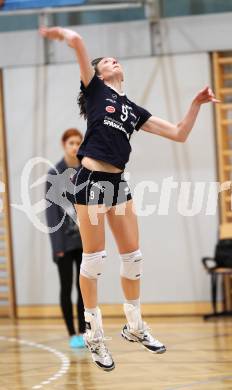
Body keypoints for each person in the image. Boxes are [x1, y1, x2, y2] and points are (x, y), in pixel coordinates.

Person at [40, 26, 219, 372]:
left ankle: (134, 327)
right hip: (90, 179)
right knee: (93, 261)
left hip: (117, 183)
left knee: (133, 258)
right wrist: (58, 32)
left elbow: (180, 134)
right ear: (97, 73)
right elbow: (77, 41)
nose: (112, 61)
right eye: (105, 61)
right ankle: (94, 335)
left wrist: (195, 104)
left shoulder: (132, 109)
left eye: (113, 59)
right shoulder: (94, 92)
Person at [45, 128, 86, 349]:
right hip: (64, 243)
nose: (75, 146)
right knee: (66, 287)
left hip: (85, 242)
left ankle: (83, 331)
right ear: (64, 145)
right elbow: (51, 213)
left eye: (79, 142)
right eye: (71, 143)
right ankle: (72, 334)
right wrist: (57, 246)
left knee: (84, 289)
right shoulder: (54, 173)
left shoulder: (87, 170)